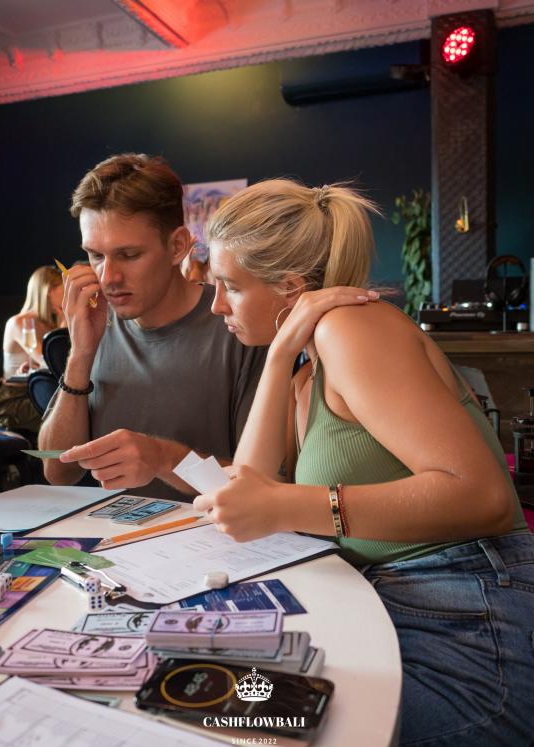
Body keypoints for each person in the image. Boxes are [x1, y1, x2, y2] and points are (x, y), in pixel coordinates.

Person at [193, 179, 534, 746]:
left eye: (229, 286)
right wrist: (278, 358)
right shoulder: (305, 370)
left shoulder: (352, 329)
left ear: (289, 286)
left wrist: (288, 505)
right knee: (229, 712)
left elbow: (484, 496)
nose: (217, 306)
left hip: (468, 613)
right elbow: (251, 486)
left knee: (252, 728)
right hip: (394, 607)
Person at [40, 154, 279, 500]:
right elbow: (58, 472)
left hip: (210, 530)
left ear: (178, 246)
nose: (108, 277)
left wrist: (164, 459)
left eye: (129, 255)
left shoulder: (238, 325)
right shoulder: (96, 324)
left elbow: (265, 486)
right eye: (96, 255)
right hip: (108, 529)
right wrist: (80, 355)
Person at [0, 266, 65, 435]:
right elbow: (51, 364)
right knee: (67, 416)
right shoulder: (19, 323)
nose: (67, 295)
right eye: (64, 288)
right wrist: (64, 324)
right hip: (13, 399)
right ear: (48, 291)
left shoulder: (50, 324)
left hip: (42, 391)